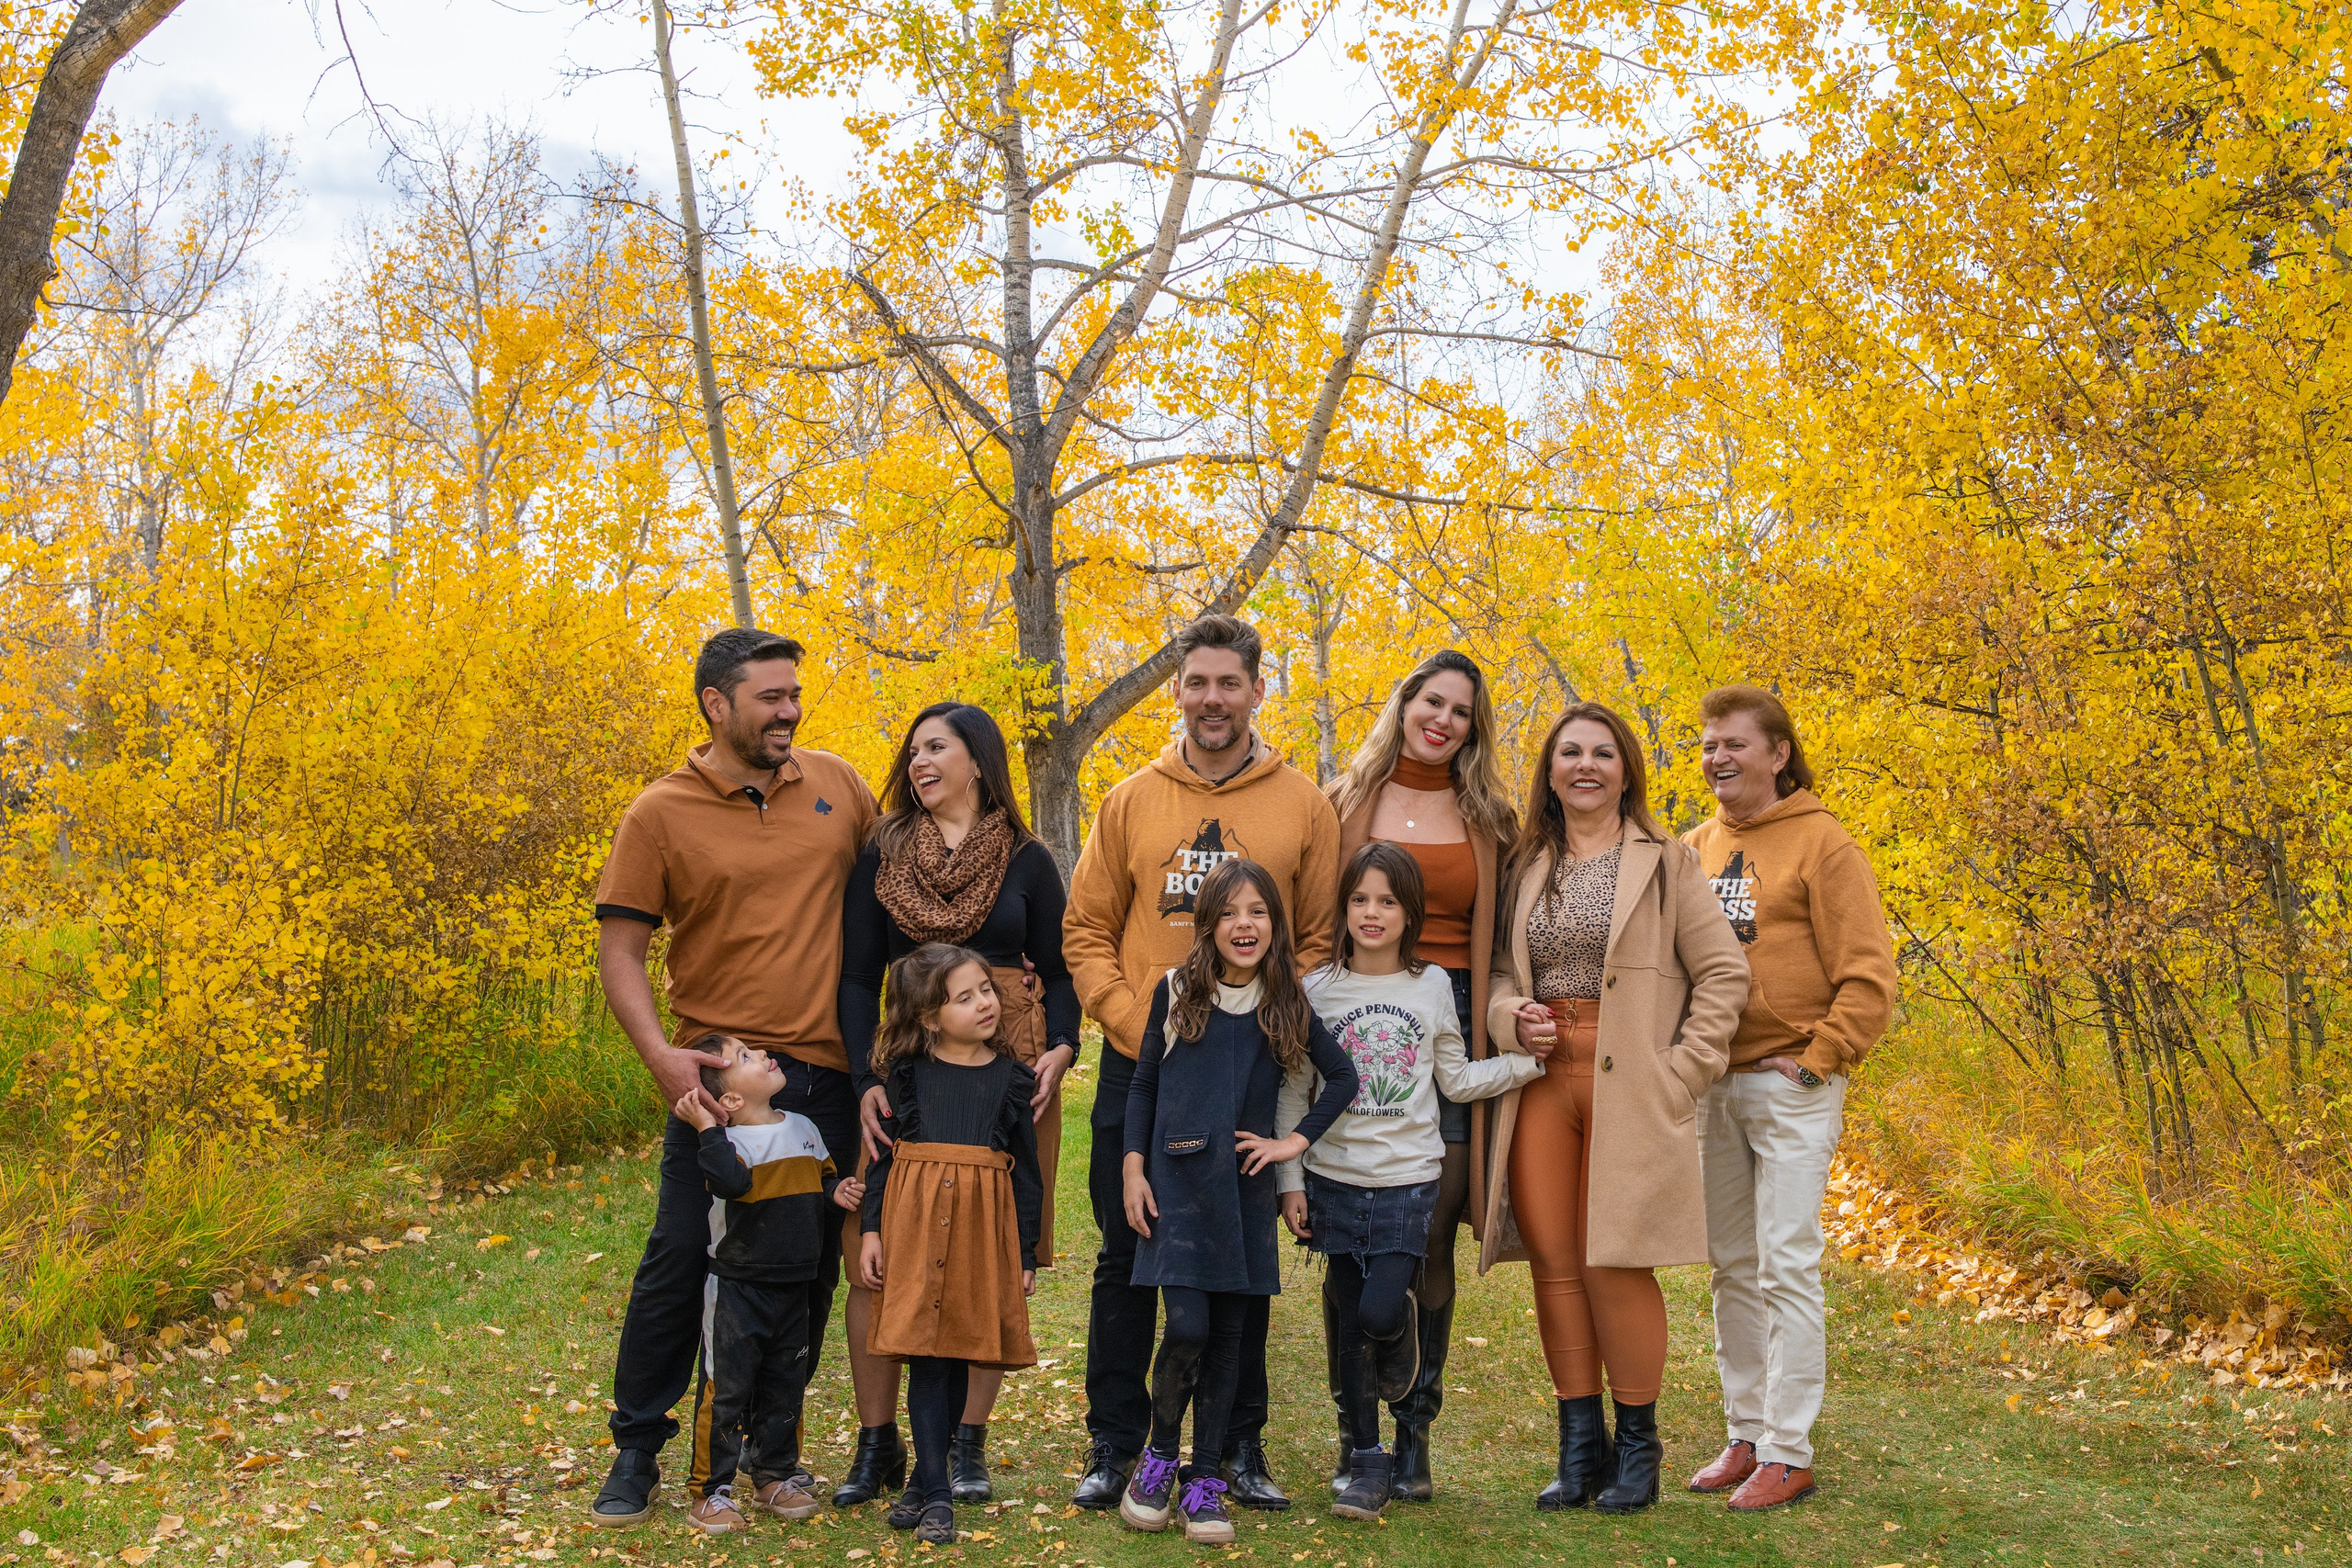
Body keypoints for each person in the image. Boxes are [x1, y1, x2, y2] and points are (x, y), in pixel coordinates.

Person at [588, 628, 878, 1529]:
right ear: (717, 703)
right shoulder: (660, 813)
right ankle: (637, 1449)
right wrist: (663, 1057)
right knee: (684, 1256)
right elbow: (621, 949)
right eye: (770, 698)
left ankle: (764, 1455)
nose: (791, 711)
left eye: (794, 694)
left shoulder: (838, 785)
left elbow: (911, 885)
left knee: (800, 1277)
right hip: (723, 1080)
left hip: (824, 1080)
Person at [1063, 613, 1340, 1511]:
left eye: (1229, 683)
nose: (1212, 699)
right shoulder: (1130, 800)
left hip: (1251, 1071)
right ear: (1175, 691)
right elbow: (1087, 929)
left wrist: (1272, 1036)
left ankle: (1234, 1446)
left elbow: (1324, 936)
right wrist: (1135, 1025)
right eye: (1196, 683)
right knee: (1125, 1251)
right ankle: (1115, 1446)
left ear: (1259, 690)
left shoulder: (1301, 803)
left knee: (1238, 1262)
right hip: (1144, 1067)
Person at [1480, 702, 1748, 1514]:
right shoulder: (1527, 860)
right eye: (1570, 753)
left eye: (1602, 752)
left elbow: (1725, 976)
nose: (1586, 765)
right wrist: (1505, 1017)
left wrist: (1683, 1072)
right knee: (1558, 1266)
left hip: (1631, 1082)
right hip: (1540, 1082)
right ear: (1551, 770)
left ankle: (1640, 1447)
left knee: (1614, 1259)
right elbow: (1495, 973)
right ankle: (1579, 1449)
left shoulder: (1667, 861)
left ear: (1626, 768)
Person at [836, 702, 1079, 1506]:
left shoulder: (1028, 859)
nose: (918, 761)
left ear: (978, 758)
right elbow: (856, 978)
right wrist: (865, 1081)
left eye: (935, 747)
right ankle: (879, 1444)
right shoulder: (882, 852)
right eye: (911, 750)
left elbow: (1064, 968)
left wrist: (1062, 1045)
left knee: (988, 1252)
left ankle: (967, 1441)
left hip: (1009, 1069)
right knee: (873, 1254)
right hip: (906, 1067)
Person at [1278, 842, 1544, 1519]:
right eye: (1360, 899)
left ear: (1410, 913)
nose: (1372, 913)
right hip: (1334, 1179)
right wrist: (1290, 1178)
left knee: (1377, 1310)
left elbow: (1454, 1078)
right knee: (1345, 1307)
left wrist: (1525, 1066)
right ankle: (1366, 1456)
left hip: (1407, 1180)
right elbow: (1296, 1092)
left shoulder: (1429, 988)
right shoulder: (1317, 990)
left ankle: (1403, 1358)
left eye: (1388, 901)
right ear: (1342, 908)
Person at [1682, 685, 1897, 1512]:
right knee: (1730, 1266)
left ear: (1777, 752)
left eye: (1735, 743)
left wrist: (1820, 1059)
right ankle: (1747, 1432)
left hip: (1790, 1082)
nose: (1718, 757)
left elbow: (1870, 973)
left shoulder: (1823, 843)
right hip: (1715, 1085)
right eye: (1708, 745)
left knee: (1785, 1262)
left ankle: (1790, 1449)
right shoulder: (1695, 847)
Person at [1320, 649, 1518, 1500]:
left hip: (1453, 1013)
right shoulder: (1342, 802)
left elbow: (1511, 938)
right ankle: (1354, 1427)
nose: (1442, 719)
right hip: (1357, 1008)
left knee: (1429, 1221)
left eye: (1461, 710)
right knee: (1352, 1235)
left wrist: (1508, 1023)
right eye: (1429, 701)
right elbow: (1310, 915)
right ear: (1404, 704)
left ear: (1475, 728)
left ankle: (1414, 1428)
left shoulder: (1495, 820)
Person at [1115, 859, 1358, 1547]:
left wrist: (1291, 1149)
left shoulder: (1285, 1002)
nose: (1244, 925)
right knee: (1187, 1325)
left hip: (1244, 1191)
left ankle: (1205, 1479)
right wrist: (1134, 1168)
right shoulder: (1176, 989)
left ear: (1274, 924)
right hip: (1176, 1188)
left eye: (1257, 912)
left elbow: (1340, 1078)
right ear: (1207, 924)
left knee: (1229, 1342)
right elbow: (1143, 1086)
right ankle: (1158, 1457)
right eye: (1229, 913)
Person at [856, 945, 1044, 1545]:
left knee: (959, 1347)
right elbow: (882, 1161)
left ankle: (922, 1481)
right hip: (914, 1227)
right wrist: (870, 1229)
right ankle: (938, 1492)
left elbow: (1028, 1174)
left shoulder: (1012, 1079)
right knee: (924, 1354)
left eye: (985, 988)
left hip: (979, 1233)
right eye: (965, 997)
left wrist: (1025, 1254)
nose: (985, 1001)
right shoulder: (907, 1076)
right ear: (931, 1018)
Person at [670, 1037, 865, 1533]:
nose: (761, 1055)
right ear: (731, 1100)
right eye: (745, 1057)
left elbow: (816, 1181)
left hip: (794, 1285)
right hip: (737, 1288)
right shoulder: (726, 1144)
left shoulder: (803, 1128)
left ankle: (774, 1475)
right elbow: (731, 1186)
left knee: (786, 1384)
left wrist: (835, 1191)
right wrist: (708, 1128)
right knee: (727, 1389)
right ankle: (709, 1492)